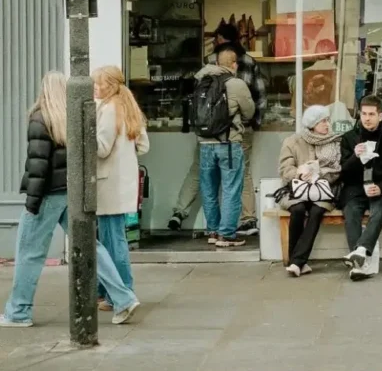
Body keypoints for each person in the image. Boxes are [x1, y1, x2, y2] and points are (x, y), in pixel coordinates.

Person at [1, 73, 140, 327]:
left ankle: (18, 311)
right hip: (71, 191)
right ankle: (123, 298)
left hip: (47, 195)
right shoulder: (73, 119)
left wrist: (32, 203)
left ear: (44, 90)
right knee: (91, 246)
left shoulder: (40, 119)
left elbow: (38, 166)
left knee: (28, 251)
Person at [169, 21, 266, 235]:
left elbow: (191, 102)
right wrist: (253, 122)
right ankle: (245, 220)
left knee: (204, 179)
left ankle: (184, 214)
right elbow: (258, 100)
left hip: (206, 136)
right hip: (233, 135)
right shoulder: (247, 64)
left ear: (221, 40)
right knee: (240, 177)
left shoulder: (203, 71)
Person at [92, 66, 151, 311]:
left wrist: (84, 135)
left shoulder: (108, 109)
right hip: (122, 182)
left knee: (112, 241)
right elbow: (143, 146)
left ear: (109, 86)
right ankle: (109, 292)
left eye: (98, 83)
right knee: (113, 238)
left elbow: (102, 148)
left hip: (108, 183)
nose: (94, 87)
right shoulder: (129, 107)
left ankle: (122, 291)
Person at [339, 95, 382, 280]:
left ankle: (360, 252)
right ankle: (359, 262)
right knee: (351, 211)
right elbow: (343, 172)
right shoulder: (349, 138)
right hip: (355, 189)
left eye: (371, 114)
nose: (367, 118)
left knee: (379, 210)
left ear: (380, 116)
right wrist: (355, 157)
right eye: (363, 114)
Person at [194, 48, 255, 248]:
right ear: (234, 64)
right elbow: (250, 111)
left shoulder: (200, 80)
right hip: (228, 143)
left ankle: (213, 231)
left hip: (204, 143)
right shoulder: (236, 83)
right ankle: (227, 234)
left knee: (209, 188)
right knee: (231, 188)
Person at [278, 105, 342, 276]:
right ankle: (297, 262)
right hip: (297, 189)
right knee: (297, 210)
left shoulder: (333, 141)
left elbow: (337, 171)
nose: (327, 125)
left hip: (323, 189)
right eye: (323, 121)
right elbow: (285, 170)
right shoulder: (293, 141)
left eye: (328, 120)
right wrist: (299, 172)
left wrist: (319, 174)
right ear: (312, 124)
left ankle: (296, 262)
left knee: (316, 211)